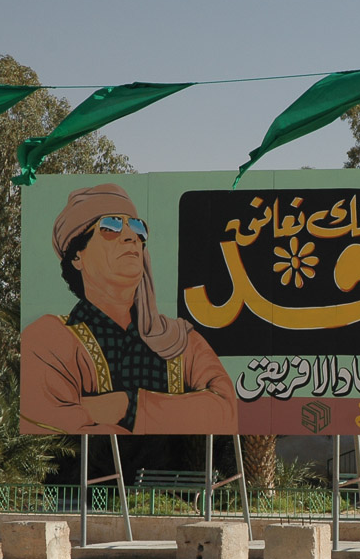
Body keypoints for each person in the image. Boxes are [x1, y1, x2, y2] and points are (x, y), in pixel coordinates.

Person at [21, 183, 238, 434]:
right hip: (87, 470)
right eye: (110, 226)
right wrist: (176, 412)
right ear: (77, 256)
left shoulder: (180, 340)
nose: (131, 236)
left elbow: (225, 412)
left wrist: (127, 406)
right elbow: (55, 423)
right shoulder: (48, 339)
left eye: (137, 227)